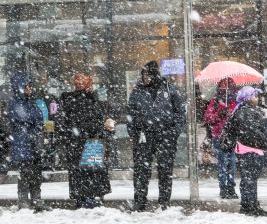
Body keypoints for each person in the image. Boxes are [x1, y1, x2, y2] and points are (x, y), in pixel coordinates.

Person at [127, 60, 186, 211]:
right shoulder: (137, 92)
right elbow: (131, 115)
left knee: (165, 170)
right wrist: (133, 134)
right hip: (143, 136)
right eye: (143, 74)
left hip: (165, 135)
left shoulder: (169, 89)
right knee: (141, 170)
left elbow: (180, 113)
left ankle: (164, 203)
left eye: (147, 74)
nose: (145, 77)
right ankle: (140, 202)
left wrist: (173, 132)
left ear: (154, 75)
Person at [56, 73, 113, 209]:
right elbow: (65, 121)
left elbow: (97, 119)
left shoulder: (91, 99)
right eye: (78, 83)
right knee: (84, 171)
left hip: (87, 140)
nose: (80, 86)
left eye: (83, 83)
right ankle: (85, 198)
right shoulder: (71, 99)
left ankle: (87, 197)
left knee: (88, 171)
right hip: (83, 140)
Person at [221, 86, 267, 217]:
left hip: (245, 150)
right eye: (254, 96)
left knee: (249, 178)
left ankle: (250, 204)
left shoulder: (241, 111)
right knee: (250, 179)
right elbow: (252, 133)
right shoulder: (247, 112)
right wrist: (264, 142)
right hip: (251, 150)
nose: (257, 98)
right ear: (248, 98)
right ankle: (249, 205)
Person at [5, 70, 46, 211]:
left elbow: (38, 119)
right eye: (27, 86)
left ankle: (36, 198)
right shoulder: (15, 103)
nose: (30, 88)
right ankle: (24, 199)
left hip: (32, 143)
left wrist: (35, 129)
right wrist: (33, 127)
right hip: (23, 143)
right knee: (26, 172)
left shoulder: (31, 102)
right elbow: (25, 119)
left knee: (36, 172)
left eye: (31, 86)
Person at [203, 77, 238, 199]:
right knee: (223, 163)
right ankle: (223, 188)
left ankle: (231, 187)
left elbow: (239, 118)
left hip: (232, 137)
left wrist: (230, 116)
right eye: (222, 85)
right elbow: (208, 118)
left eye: (227, 85)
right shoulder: (215, 101)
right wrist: (220, 114)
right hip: (219, 136)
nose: (224, 88)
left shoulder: (236, 101)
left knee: (232, 163)